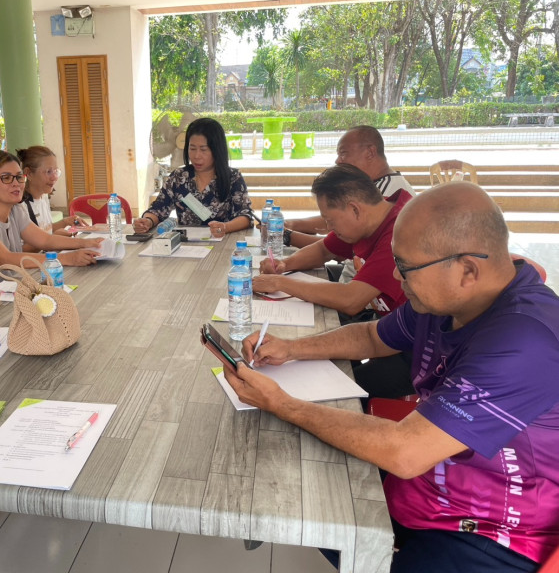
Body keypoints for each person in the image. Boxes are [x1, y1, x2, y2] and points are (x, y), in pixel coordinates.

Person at [227, 182, 559, 573]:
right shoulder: (447, 299)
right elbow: (373, 336)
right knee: (297, 476)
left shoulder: (523, 341)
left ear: (468, 269)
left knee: (307, 483)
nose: (397, 277)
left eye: (406, 267)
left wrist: (281, 402)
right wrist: (292, 348)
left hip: (490, 532)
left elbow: (405, 452)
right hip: (430, 486)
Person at [256, 165, 410, 320]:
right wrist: (284, 264)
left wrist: (280, 283)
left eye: (330, 220)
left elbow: (351, 300)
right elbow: (323, 250)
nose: (329, 228)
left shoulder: (400, 235)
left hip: (403, 331)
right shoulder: (373, 215)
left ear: (355, 210)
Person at [0, 150, 103, 300]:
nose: (16, 183)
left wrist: (88, 243)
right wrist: (66, 258)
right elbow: (5, 259)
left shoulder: (15, 209)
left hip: (5, 292)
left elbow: (44, 240)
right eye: (6, 178)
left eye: (19, 177)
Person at [284, 126, 415, 257]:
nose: (337, 161)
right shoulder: (373, 185)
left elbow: (337, 247)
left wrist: (287, 235)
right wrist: (291, 225)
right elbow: (333, 226)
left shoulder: (386, 192)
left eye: (343, 153)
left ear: (370, 152)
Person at [132, 118, 252, 238]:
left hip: (222, 242)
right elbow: (158, 209)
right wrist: (147, 221)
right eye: (192, 148)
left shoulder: (233, 177)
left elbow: (245, 215)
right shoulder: (178, 177)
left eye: (203, 150)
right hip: (186, 244)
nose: (196, 156)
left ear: (217, 150)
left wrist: (225, 227)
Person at [16, 146, 88, 249]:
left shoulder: (43, 197)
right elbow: (21, 250)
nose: (54, 177)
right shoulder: (20, 206)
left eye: (56, 171)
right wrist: (53, 238)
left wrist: (65, 222)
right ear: (29, 173)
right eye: (48, 172)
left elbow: (44, 229)